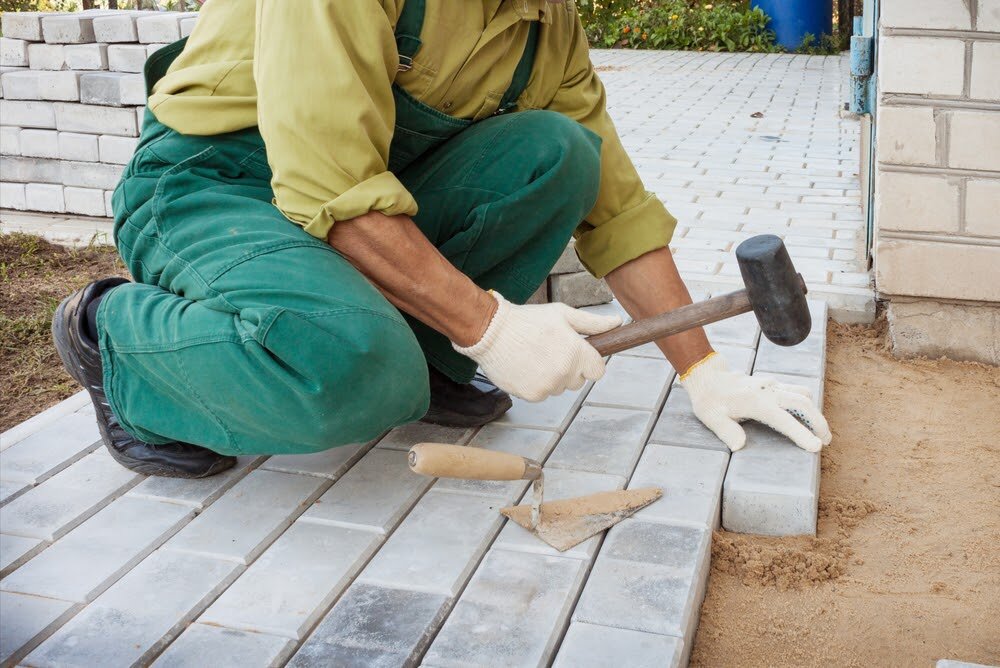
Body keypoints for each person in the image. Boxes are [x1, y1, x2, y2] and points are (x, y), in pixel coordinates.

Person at [52, 0, 831, 479]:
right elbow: (335, 189)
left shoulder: (543, 18)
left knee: (559, 154)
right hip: (214, 183)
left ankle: (426, 355)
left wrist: (704, 371)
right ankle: (110, 338)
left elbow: (613, 206)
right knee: (349, 370)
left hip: (348, 191)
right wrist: (490, 326)